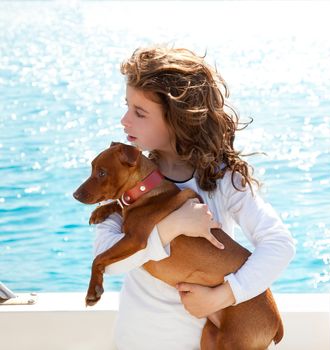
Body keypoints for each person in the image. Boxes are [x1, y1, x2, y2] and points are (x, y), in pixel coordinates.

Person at [93, 46, 295, 350]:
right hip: (138, 339)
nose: (124, 120)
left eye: (139, 112)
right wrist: (173, 226)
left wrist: (224, 295)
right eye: (127, 106)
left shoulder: (223, 179)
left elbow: (279, 245)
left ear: (177, 119)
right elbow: (108, 262)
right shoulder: (124, 176)